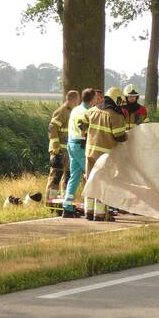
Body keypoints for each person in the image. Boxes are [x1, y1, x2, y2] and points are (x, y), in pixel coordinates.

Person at [82, 86, 128, 221]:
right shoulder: (116, 115)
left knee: (90, 181)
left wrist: (87, 134)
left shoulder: (92, 110)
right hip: (105, 155)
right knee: (103, 183)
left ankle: (88, 212)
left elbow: (81, 124)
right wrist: (128, 137)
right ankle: (100, 214)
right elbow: (119, 135)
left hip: (90, 152)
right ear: (117, 100)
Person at [62, 88, 97, 218]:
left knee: (75, 176)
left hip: (71, 144)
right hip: (81, 145)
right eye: (96, 98)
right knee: (92, 175)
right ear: (92, 99)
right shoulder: (87, 111)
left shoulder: (76, 109)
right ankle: (92, 208)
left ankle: (67, 206)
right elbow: (85, 129)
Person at [46, 90, 80, 206]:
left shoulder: (73, 112)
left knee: (67, 177)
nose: (78, 102)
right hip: (59, 151)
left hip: (68, 150)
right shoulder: (62, 111)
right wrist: (55, 147)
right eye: (77, 100)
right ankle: (51, 203)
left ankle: (63, 203)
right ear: (72, 99)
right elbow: (52, 128)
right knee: (56, 177)